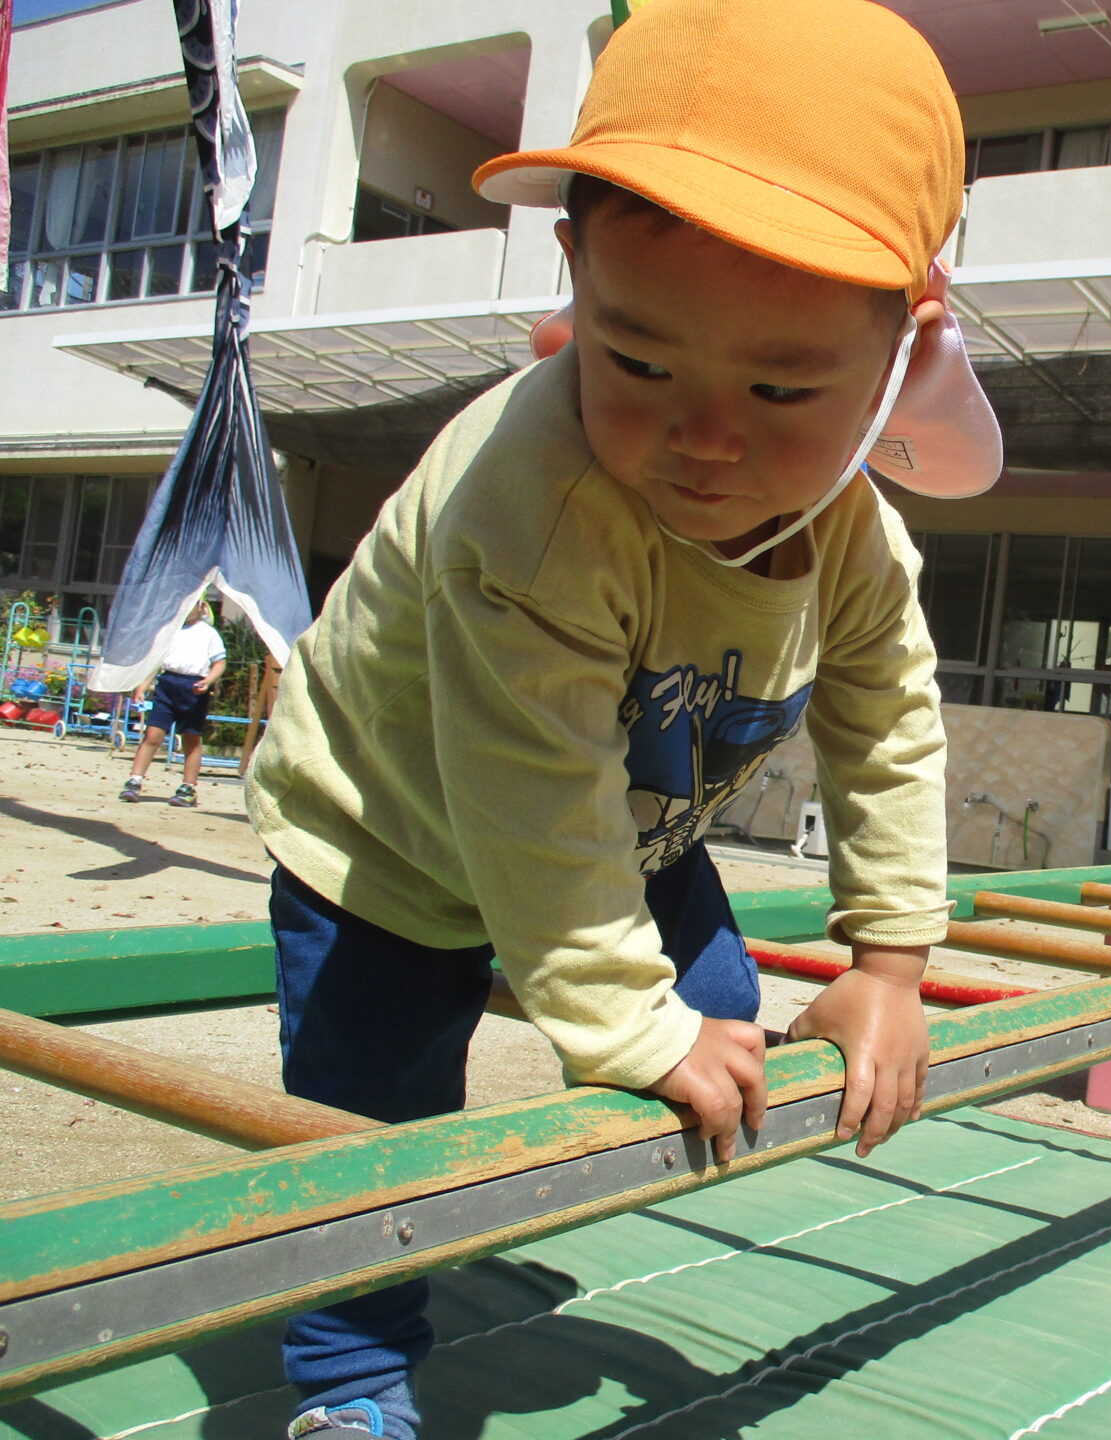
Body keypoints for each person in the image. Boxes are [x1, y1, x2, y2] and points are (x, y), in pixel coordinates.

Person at [244, 4, 1001, 1436]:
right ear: (575, 278)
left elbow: (892, 724)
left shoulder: (855, 538)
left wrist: (891, 964)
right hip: (386, 837)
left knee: (719, 1023)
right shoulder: (534, 513)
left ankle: (583, 995)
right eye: (638, 362)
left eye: (780, 388)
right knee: (376, 1128)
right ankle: (350, 1387)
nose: (704, 439)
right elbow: (531, 799)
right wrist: (617, 1023)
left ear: (900, 356)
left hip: (627, 829)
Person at [117, 597, 227, 808]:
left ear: (201, 607)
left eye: (192, 604)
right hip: (167, 685)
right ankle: (134, 781)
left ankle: (188, 787)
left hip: (193, 688)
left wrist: (208, 681)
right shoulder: (169, 631)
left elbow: (220, 663)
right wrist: (142, 686)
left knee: (191, 738)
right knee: (153, 735)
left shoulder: (209, 634)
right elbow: (156, 662)